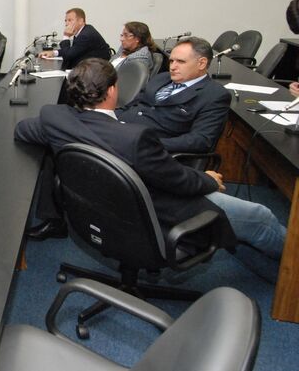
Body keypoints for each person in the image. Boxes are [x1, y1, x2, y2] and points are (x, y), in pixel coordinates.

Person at [16, 58, 285, 280]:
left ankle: (277, 273)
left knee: (245, 227)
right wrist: (209, 179)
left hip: (99, 213)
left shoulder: (55, 118)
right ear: (112, 91)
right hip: (156, 214)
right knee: (260, 216)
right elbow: (178, 180)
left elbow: (23, 130)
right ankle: (291, 272)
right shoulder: (135, 139)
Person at [117, 37, 231, 154]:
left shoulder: (214, 95)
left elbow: (200, 140)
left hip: (146, 149)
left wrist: (150, 143)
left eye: (181, 62)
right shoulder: (161, 78)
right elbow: (132, 104)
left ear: (201, 63)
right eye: (171, 61)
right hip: (119, 131)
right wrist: (108, 117)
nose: (172, 67)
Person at [38, 8, 111, 68]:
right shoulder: (84, 30)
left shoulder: (85, 35)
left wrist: (66, 36)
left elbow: (68, 55)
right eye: (66, 21)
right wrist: (53, 53)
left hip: (97, 70)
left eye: (70, 20)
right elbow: (73, 51)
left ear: (81, 21)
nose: (66, 24)